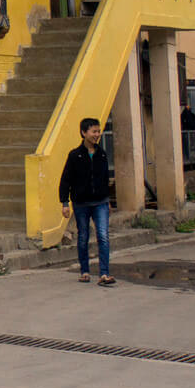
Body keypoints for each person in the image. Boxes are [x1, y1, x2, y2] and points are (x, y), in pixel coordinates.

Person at [60, 116, 114, 286]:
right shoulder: (75, 155)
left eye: (98, 131)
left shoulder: (102, 154)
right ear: (84, 133)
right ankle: (85, 271)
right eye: (94, 131)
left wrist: (109, 200)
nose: (97, 134)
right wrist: (64, 203)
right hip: (81, 203)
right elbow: (65, 180)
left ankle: (104, 273)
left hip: (100, 202)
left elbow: (105, 178)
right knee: (83, 236)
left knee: (103, 236)